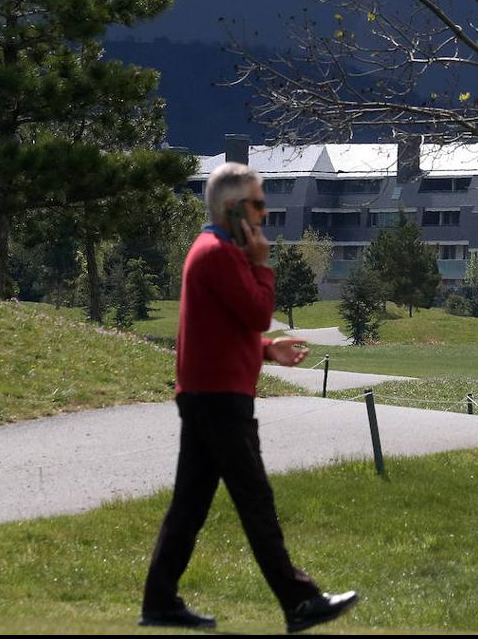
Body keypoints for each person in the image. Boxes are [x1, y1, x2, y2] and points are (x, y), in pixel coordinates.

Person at [140, 162, 358, 633]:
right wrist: (261, 265)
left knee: (191, 504)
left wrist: (265, 351)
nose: (265, 215)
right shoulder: (220, 253)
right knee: (254, 499)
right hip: (219, 400)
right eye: (259, 205)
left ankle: (159, 601)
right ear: (235, 209)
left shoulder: (211, 250)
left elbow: (223, 331)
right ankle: (300, 602)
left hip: (208, 394)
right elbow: (258, 312)